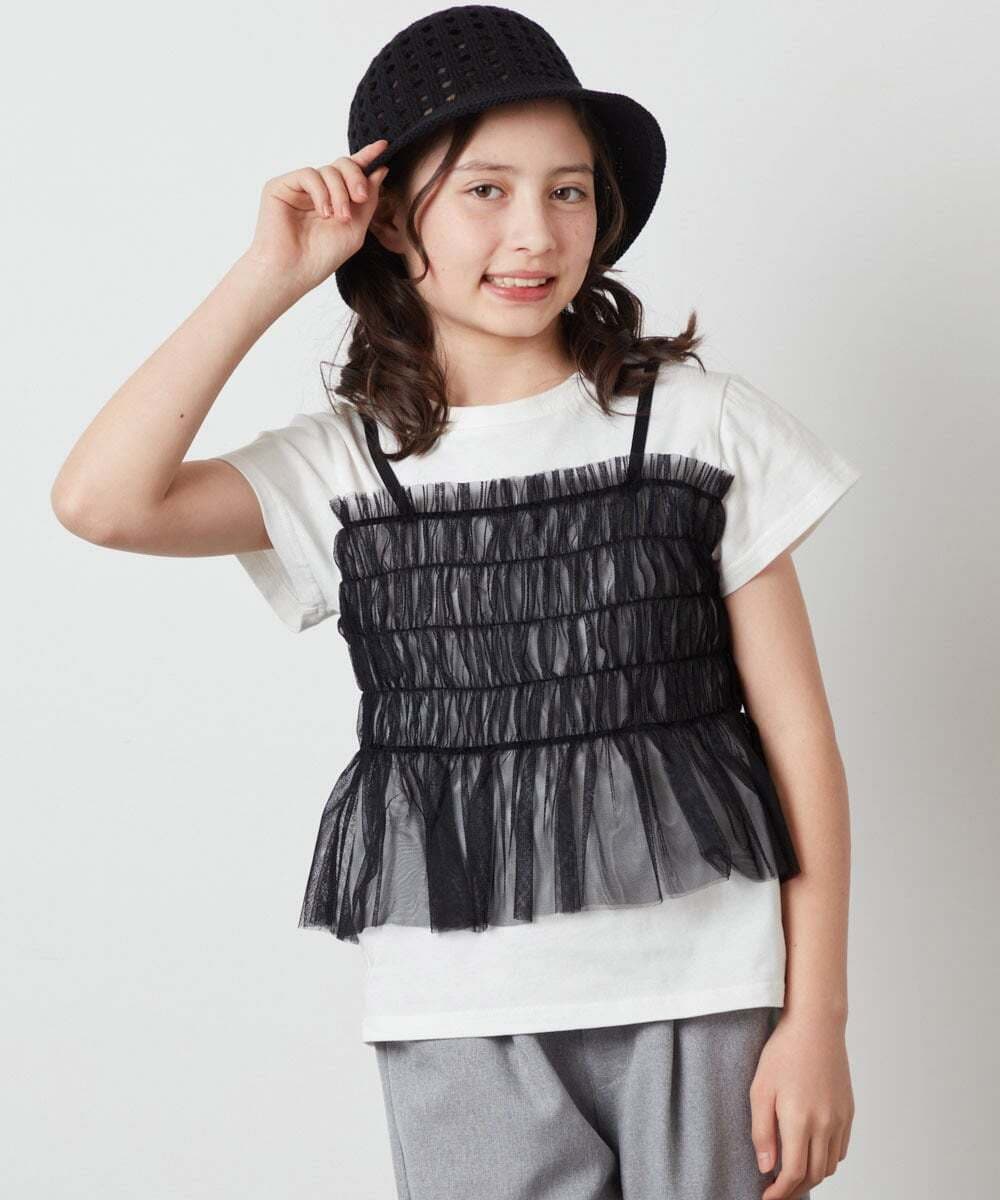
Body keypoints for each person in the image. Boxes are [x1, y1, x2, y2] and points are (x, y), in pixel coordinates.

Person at [50, 6, 859, 1199]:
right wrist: (270, 275)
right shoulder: (344, 466)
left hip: (708, 990)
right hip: (458, 1013)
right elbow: (101, 502)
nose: (535, 232)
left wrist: (816, 1014)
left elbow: (798, 739)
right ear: (389, 216)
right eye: (485, 190)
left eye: (569, 192)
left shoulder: (695, 425)